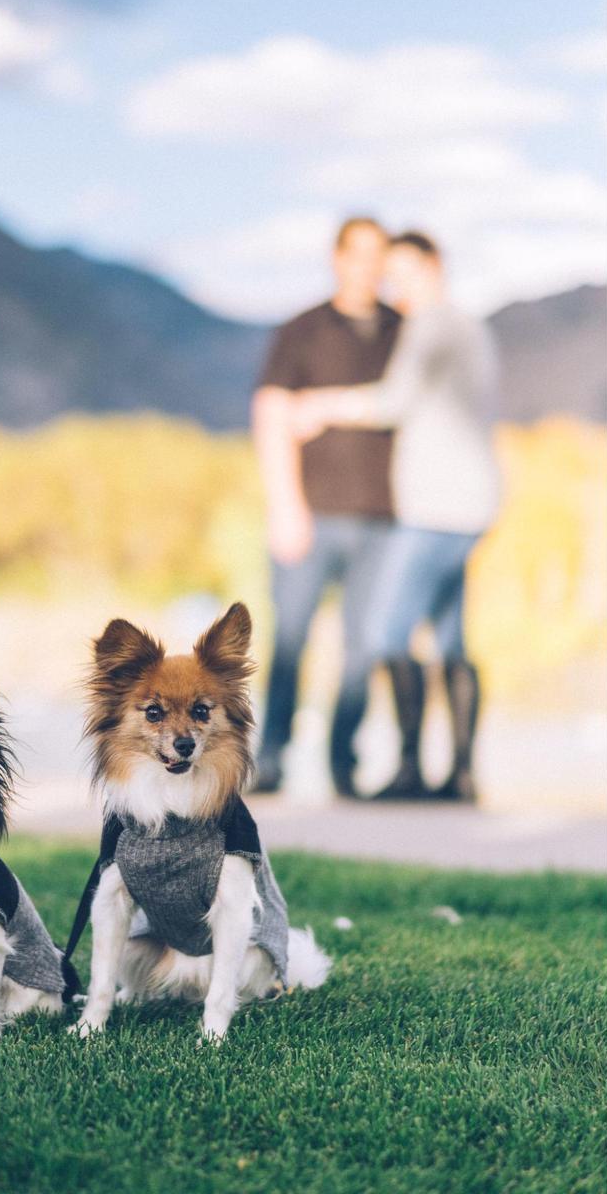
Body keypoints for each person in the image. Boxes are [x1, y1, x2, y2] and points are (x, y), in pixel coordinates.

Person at [290, 231, 502, 801]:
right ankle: (460, 775)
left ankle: (410, 770)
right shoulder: (470, 324)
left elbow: (393, 400)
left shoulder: (430, 324)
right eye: (394, 276)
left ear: (435, 266)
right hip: (473, 502)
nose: (398, 287)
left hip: (437, 507)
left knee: (385, 632)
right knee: (452, 638)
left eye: (407, 273)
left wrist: (319, 405)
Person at [251, 217, 402, 795]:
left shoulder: (401, 330)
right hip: (310, 516)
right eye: (357, 254)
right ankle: (271, 758)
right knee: (290, 639)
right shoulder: (303, 329)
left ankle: (346, 764)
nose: (367, 265)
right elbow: (270, 416)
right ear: (337, 258)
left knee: (364, 647)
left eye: (377, 255)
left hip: (384, 519)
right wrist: (285, 506)